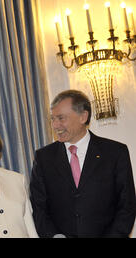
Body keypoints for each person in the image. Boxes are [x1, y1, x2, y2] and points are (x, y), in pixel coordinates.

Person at [30, 90, 136, 238]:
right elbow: (39, 207)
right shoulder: (44, 157)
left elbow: (127, 205)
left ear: (83, 116)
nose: (55, 125)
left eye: (61, 118)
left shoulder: (115, 153)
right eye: (52, 119)